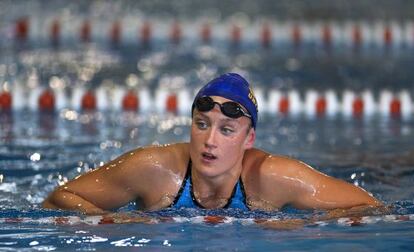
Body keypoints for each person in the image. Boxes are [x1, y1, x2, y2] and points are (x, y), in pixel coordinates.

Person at [43, 73, 382, 215]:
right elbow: (61, 198)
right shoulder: (155, 170)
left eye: (227, 130)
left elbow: (371, 209)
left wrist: (303, 227)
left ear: (249, 139)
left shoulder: (275, 177)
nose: (209, 141)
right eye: (201, 125)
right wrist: (111, 223)